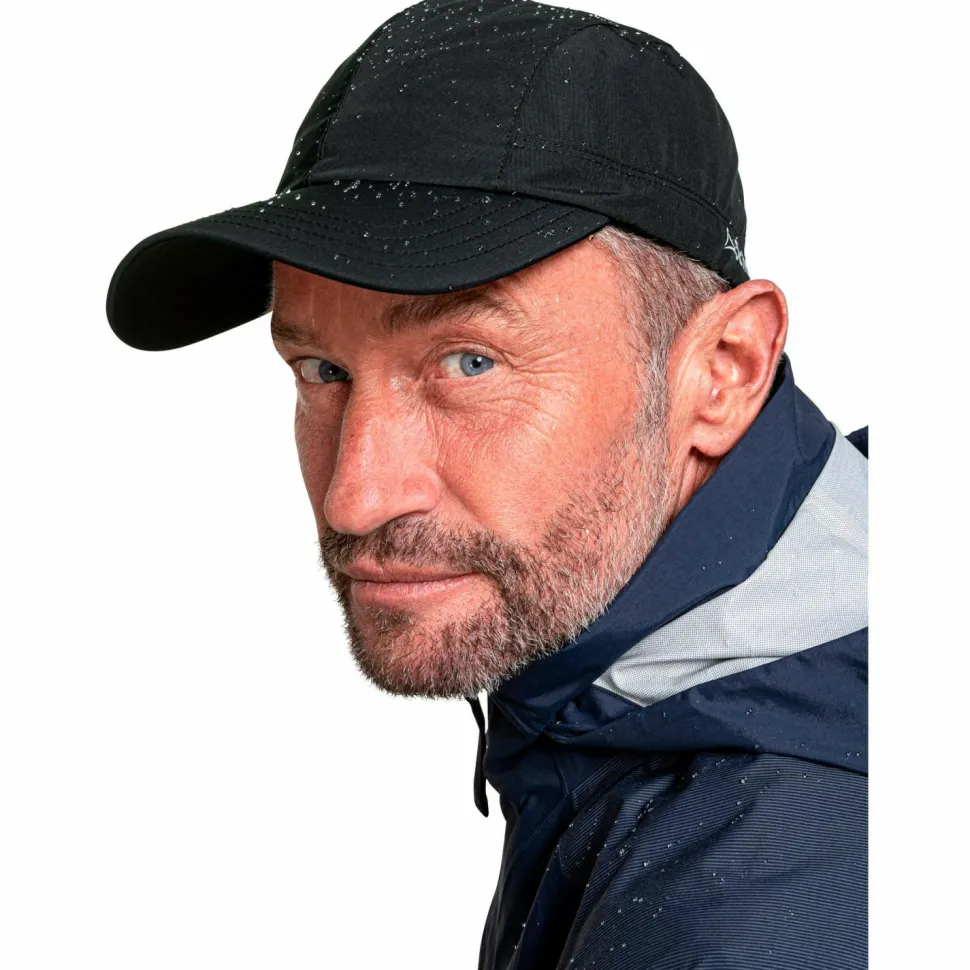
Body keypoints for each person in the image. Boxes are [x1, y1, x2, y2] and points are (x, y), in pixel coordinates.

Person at [105, 1, 867, 967]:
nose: (355, 497)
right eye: (322, 371)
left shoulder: (752, 894)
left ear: (724, 370)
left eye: (470, 362)